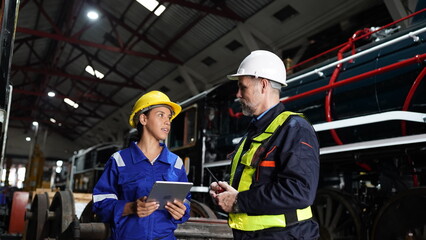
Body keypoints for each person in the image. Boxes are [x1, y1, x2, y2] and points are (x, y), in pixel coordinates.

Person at [209, 50, 320, 239]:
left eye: (242, 87)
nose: (237, 94)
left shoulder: (295, 128)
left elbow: (299, 192)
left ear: (263, 85)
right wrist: (228, 192)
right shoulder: (254, 132)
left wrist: (238, 201)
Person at [92, 90, 191, 240]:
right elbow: (100, 204)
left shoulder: (175, 163)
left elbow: (186, 200)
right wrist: (130, 207)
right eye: (160, 115)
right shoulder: (120, 160)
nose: (167, 121)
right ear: (143, 119)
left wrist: (182, 211)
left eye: (169, 117)